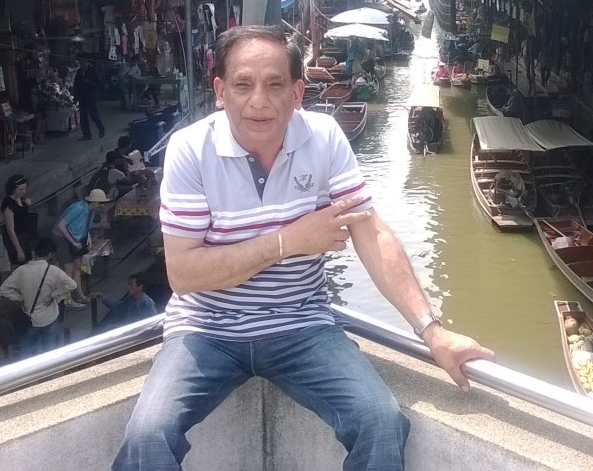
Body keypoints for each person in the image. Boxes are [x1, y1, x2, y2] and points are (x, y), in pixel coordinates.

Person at [113, 26, 492, 470]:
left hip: (301, 324)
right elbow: (184, 273)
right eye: (243, 84)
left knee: (381, 420)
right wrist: (288, 241)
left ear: (296, 93)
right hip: (206, 329)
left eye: (275, 85)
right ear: (219, 91)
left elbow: (371, 234)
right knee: (146, 437)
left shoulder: (324, 137)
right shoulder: (190, 150)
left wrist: (432, 331)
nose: (259, 101)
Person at [0, 238, 78, 357]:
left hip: (29, 317)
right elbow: (72, 285)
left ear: (35, 252)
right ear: (51, 254)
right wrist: (53, 295)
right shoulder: (53, 270)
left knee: (26, 352)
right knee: (49, 352)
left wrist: (19, 298)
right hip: (49, 317)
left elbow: (3, 289)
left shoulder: (21, 270)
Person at [52, 188, 111, 307]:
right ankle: (67, 300)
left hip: (75, 237)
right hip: (62, 237)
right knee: (69, 268)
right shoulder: (78, 208)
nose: (102, 205)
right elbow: (61, 225)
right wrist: (73, 243)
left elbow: (83, 223)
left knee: (78, 266)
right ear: (93, 202)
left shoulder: (90, 210)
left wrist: (87, 235)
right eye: (100, 202)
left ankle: (80, 295)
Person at [93, 272, 158, 330]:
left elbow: (154, 323)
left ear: (140, 287)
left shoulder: (148, 304)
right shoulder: (130, 299)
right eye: (128, 285)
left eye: (131, 285)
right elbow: (118, 306)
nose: (128, 288)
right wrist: (103, 298)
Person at [1, 174, 35, 267]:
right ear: (13, 189)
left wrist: (26, 204)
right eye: (20, 189)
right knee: (18, 264)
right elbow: (10, 229)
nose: (23, 191)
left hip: (24, 234)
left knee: (27, 263)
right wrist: (18, 250)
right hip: (16, 237)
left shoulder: (21, 199)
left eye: (25, 188)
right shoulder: (9, 204)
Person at [73, 53, 106, 140]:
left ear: (86, 61)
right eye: (79, 61)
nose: (81, 63)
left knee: (93, 114)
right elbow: (76, 84)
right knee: (83, 116)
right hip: (82, 96)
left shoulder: (93, 70)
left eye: (82, 61)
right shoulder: (79, 71)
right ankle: (87, 135)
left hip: (91, 96)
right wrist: (75, 97)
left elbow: (99, 83)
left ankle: (101, 128)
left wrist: (89, 82)